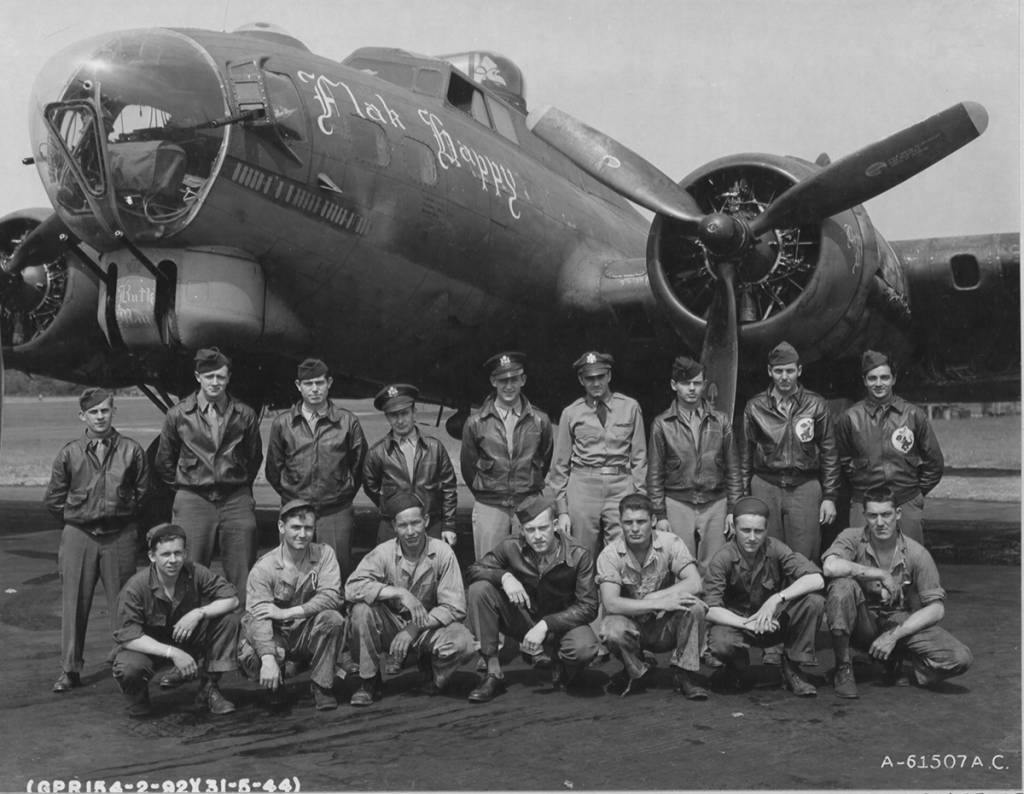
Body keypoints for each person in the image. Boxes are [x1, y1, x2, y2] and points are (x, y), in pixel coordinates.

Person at [45, 388, 149, 693]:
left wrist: (122, 516)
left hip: (120, 534)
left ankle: (124, 664)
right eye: (94, 412)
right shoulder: (69, 453)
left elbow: (143, 493)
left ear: (113, 412)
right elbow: (53, 499)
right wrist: (79, 517)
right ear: (83, 416)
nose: (100, 417)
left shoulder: (131, 450)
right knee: (74, 602)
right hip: (79, 534)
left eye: (105, 410)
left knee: (124, 604)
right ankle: (70, 669)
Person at [822, 486, 972, 699]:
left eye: (886, 515)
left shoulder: (916, 553)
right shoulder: (851, 537)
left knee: (960, 657)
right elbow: (830, 567)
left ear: (898, 514)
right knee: (842, 586)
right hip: (859, 621)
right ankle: (843, 668)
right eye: (873, 516)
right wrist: (880, 574)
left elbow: (936, 609)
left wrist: (894, 637)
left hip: (897, 622)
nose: (880, 522)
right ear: (864, 515)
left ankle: (894, 660)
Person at [464, 491, 600, 702]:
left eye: (543, 528)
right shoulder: (511, 546)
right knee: (479, 589)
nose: (537, 536)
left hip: (562, 624)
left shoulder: (579, 554)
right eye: (530, 530)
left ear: (555, 525)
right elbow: (474, 570)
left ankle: (561, 663)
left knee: (584, 648)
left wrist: (546, 624)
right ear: (522, 531)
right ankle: (493, 673)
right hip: (523, 619)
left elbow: (589, 606)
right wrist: (504, 576)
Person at [344, 492, 476, 706]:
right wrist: (399, 593)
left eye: (416, 523)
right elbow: (351, 588)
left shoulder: (442, 553)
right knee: (360, 611)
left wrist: (413, 629)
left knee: (465, 643)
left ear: (426, 521)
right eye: (403, 525)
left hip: (427, 628)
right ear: (394, 527)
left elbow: (454, 607)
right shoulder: (383, 553)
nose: (411, 531)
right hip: (390, 625)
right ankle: (369, 681)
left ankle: (435, 674)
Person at [154, 347, 263, 605]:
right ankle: (188, 634)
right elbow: (164, 461)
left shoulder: (244, 414)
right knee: (187, 568)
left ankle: (243, 634)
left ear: (228, 379)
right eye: (210, 376)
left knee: (242, 571)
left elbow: (254, 457)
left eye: (221, 377)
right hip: (193, 498)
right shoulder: (178, 415)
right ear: (198, 377)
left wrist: (235, 482)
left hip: (235, 498)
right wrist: (188, 485)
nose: (215, 382)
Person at [111, 524, 241, 718]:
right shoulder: (135, 587)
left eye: (178, 553)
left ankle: (209, 688)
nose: (173, 560)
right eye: (165, 554)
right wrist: (172, 653)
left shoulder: (195, 572)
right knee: (129, 668)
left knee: (229, 619)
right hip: (149, 648)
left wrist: (198, 612)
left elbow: (232, 599)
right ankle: (137, 697)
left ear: (185, 553)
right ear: (152, 556)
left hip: (186, 638)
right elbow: (128, 636)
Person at [704, 496, 825, 697]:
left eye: (758, 531)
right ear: (734, 528)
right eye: (745, 530)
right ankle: (736, 667)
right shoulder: (722, 558)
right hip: (739, 625)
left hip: (774, 622)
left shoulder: (775, 547)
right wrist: (747, 623)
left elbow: (817, 579)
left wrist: (776, 598)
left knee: (814, 602)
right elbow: (710, 608)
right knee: (720, 642)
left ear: (766, 530)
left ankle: (792, 667)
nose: (752, 537)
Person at [595, 493, 709, 699]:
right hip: (631, 627)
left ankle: (684, 674)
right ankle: (636, 669)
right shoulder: (610, 554)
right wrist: (656, 603)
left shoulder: (670, 542)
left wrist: (657, 597)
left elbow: (694, 582)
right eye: (628, 522)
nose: (635, 528)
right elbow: (611, 603)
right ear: (620, 523)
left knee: (695, 606)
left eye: (641, 521)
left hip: (662, 626)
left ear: (653, 521)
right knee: (611, 629)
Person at [239, 499, 347, 711]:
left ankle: (321, 685)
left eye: (308, 528)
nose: (302, 534)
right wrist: (268, 659)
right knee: (253, 654)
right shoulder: (264, 567)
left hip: (305, 631)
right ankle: (275, 684)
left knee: (333, 619)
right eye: (296, 527)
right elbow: (257, 618)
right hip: (276, 634)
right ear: (281, 527)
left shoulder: (324, 554)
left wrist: (286, 612)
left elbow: (332, 596)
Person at [265, 357, 368, 576]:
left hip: (335, 510)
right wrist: (293, 495)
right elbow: (273, 469)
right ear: (298, 386)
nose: (314, 389)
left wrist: (343, 490)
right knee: (291, 575)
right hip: (296, 510)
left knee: (337, 573)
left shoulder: (348, 422)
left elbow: (359, 466)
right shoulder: (283, 424)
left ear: (329, 383)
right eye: (308, 383)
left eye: (319, 383)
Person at [740, 341, 839, 563]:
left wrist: (830, 496)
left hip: (804, 485)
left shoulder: (815, 404)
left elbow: (829, 452)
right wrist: (741, 498)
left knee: (804, 554)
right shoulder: (755, 406)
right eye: (779, 371)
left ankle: (804, 597)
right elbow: (744, 455)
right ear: (769, 371)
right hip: (766, 484)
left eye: (790, 371)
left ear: (799, 370)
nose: (784, 377)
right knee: (766, 552)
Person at [835, 351, 944, 544]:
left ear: (893, 379)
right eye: (872, 378)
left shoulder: (913, 415)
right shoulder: (850, 418)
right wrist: (860, 488)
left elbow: (934, 463)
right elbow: (840, 463)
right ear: (864, 381)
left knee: (909, 561)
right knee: (863, 563)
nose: (879, 383)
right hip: (864, 502)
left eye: (884, 377)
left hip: (905, 500)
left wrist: (915, 494)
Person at [647, 355, 742, 573]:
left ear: (704, 385)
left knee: (715, 564)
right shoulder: (662, 424)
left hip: (715, 501)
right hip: (677, 501)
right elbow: (654, 474)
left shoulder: (721, 420)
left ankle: (713, 605)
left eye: (697, 383)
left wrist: (732, 508)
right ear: (674, 385)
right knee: (681, 564)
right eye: (685, 383)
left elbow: (733, 469)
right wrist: (660, 514)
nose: (692, 389)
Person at [547, 351, 647, 558]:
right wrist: (562, 510)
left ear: (609, 376)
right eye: (589, 378)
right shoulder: (571, 413)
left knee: (622, 550)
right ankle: (585, 592)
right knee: (581, 552)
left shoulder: (630, 407)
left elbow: (639, 458)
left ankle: (615, 590)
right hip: (584, 485)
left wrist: (641, 498)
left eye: (600, 377)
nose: (596, 383)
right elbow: (560, 465)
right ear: (581, 380)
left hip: (620, 483)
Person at [461, 351, 554, 558]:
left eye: (514, 379)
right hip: (491, 504)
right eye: (503, 380)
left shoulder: (540, 420)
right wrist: (489, 492)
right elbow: (469, 467)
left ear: (523, 380)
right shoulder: (476, 423)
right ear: (493, 381)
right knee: (488, 567)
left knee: (530, 567)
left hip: (527, 503)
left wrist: (526, 486)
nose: (509, 386)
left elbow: (543, 460)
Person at [363, 383, 458, 546]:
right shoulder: (377, 452)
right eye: (393, 415)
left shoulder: (435, 448)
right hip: (393, 527)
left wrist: (448, 525)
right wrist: (390, 506)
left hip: (430, 525)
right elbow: (370, 486)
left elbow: (449, 488)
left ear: (414, 412)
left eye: (404, 413)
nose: (400, 420)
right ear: (387, 417)